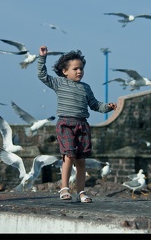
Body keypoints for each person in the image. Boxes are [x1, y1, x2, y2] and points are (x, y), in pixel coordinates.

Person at [38, 46, 117, 203]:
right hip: (66, 123)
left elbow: (94, 104)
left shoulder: (86, 88)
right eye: (75, 68)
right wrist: (42, 58)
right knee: (69, 155)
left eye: (81, 68)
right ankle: (64, 188)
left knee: (81, 160)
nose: (79, 71)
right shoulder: (59, 83)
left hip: (82, 125)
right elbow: (42, 75)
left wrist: (107, 107)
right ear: (65, 71)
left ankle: (81, 192)